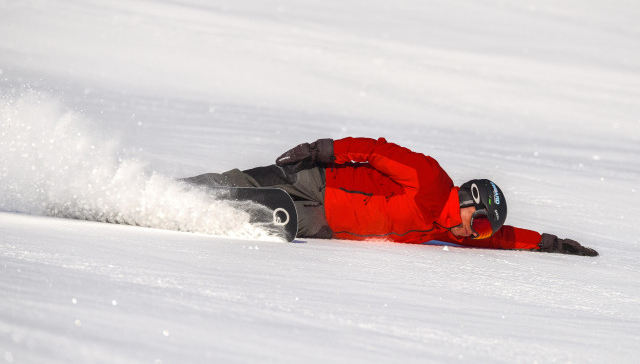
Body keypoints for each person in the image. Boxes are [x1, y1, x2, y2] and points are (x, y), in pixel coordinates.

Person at [183, 137, 598, 256]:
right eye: (483, 224)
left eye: (486, 231)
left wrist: (548, 243)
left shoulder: (451, 229)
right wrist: (323, 151)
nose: (480, 235)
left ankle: (184, 216)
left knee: (258, 214)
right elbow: (378, 152)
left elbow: (505, 237)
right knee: (239, 182)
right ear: (469, 203)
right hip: (320, 181)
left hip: (326, 224)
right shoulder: (430, 178)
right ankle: (172, 195)